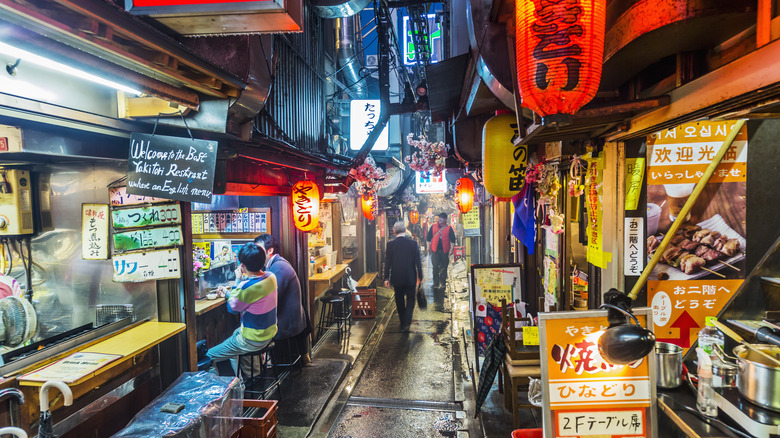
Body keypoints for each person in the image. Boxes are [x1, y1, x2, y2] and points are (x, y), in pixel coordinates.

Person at [207, 243, 277, 377]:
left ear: (242, 266)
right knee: (234, 333)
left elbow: (233, 307)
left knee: (208, 356)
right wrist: (229, 293)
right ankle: (243, 379)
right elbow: (244, 294)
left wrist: (238, 279)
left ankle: (233, 387)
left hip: (253, 339)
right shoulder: (271, 277)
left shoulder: (246, 287)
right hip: (268, 334)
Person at [254, 234, 311, 364]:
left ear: (270, 250)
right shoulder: (275, 265)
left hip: (287, 324)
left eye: (258, 249)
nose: (255, 253)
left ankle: (259, 371)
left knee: (249, 331)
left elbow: (270, 298)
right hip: (293, 321)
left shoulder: (279, 267)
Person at [384, 221, 423, 332]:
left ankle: (403, 323)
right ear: (405, 231)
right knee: (411, 300)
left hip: (397, 278)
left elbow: (387, 263)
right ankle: (407, 321)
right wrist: (420, 276)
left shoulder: (390, 245)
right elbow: (418, 262)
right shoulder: (413, 244)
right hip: (410, 277)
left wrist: (386, 278)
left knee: (399, 300)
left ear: (394, 231)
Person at [427, 212, 456, 290]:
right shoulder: (433, 226)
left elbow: (453, 239)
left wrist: (451, 249)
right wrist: (428, 247)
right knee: (435, 267)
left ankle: (443, 283)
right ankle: (436, 283)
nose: (440, 219)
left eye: (442, 218)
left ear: (445, 219)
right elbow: (428, 238)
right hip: (435, 250)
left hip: (444, 250)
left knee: (444, 267)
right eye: (439, 217)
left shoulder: (449, 228)